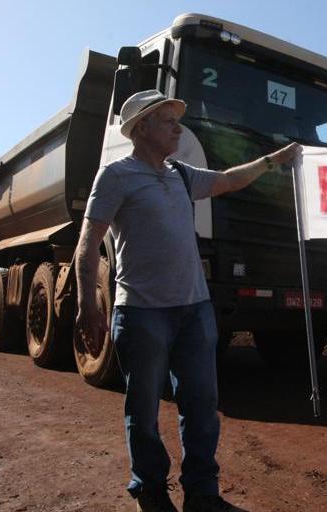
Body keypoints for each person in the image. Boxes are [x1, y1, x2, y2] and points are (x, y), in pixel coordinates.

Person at [75, 89, 299, 512]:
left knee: (200, 407)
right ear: (141, 129)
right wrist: (88, 305)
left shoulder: (181, 174)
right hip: (142, 315)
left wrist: (274, 159)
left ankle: (202, 492)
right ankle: (150, 489)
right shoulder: (115, 176)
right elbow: (87, 247)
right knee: (142, 411)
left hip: (195, 313)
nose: (178, 127)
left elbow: (231, 179)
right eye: (167, 120)